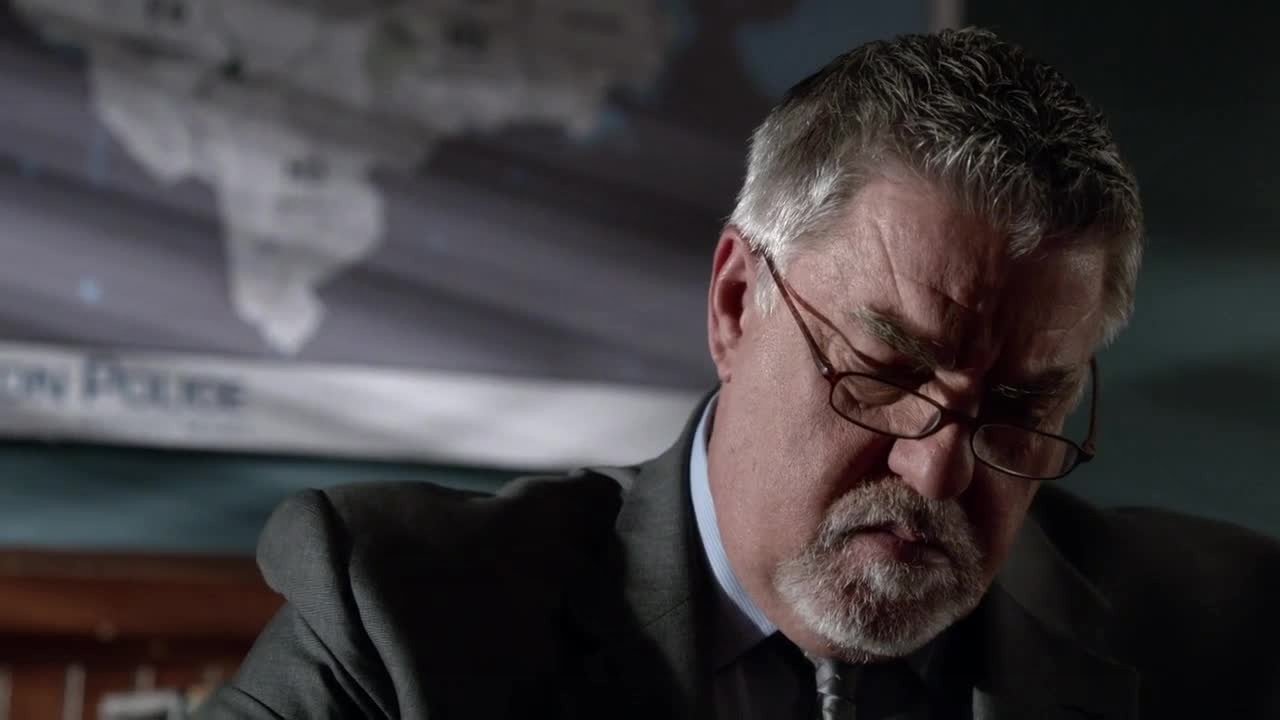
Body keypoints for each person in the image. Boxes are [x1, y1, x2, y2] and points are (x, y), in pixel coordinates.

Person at [198, 29, 1280, 720]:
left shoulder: (1230, 632)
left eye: (1022, 405)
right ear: (733, 304)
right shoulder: (404, 624)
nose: (940, 470)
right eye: (886, 367)